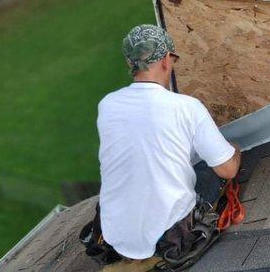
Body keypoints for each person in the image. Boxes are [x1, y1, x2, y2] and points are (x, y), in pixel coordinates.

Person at [91, 24, 241, 264]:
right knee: (211, 170)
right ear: (165, 60)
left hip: (115, 237)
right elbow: (228, 169)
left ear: (130, 64)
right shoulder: (187, 107)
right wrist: (234, 149)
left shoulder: (107, 105)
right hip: (170, 238)